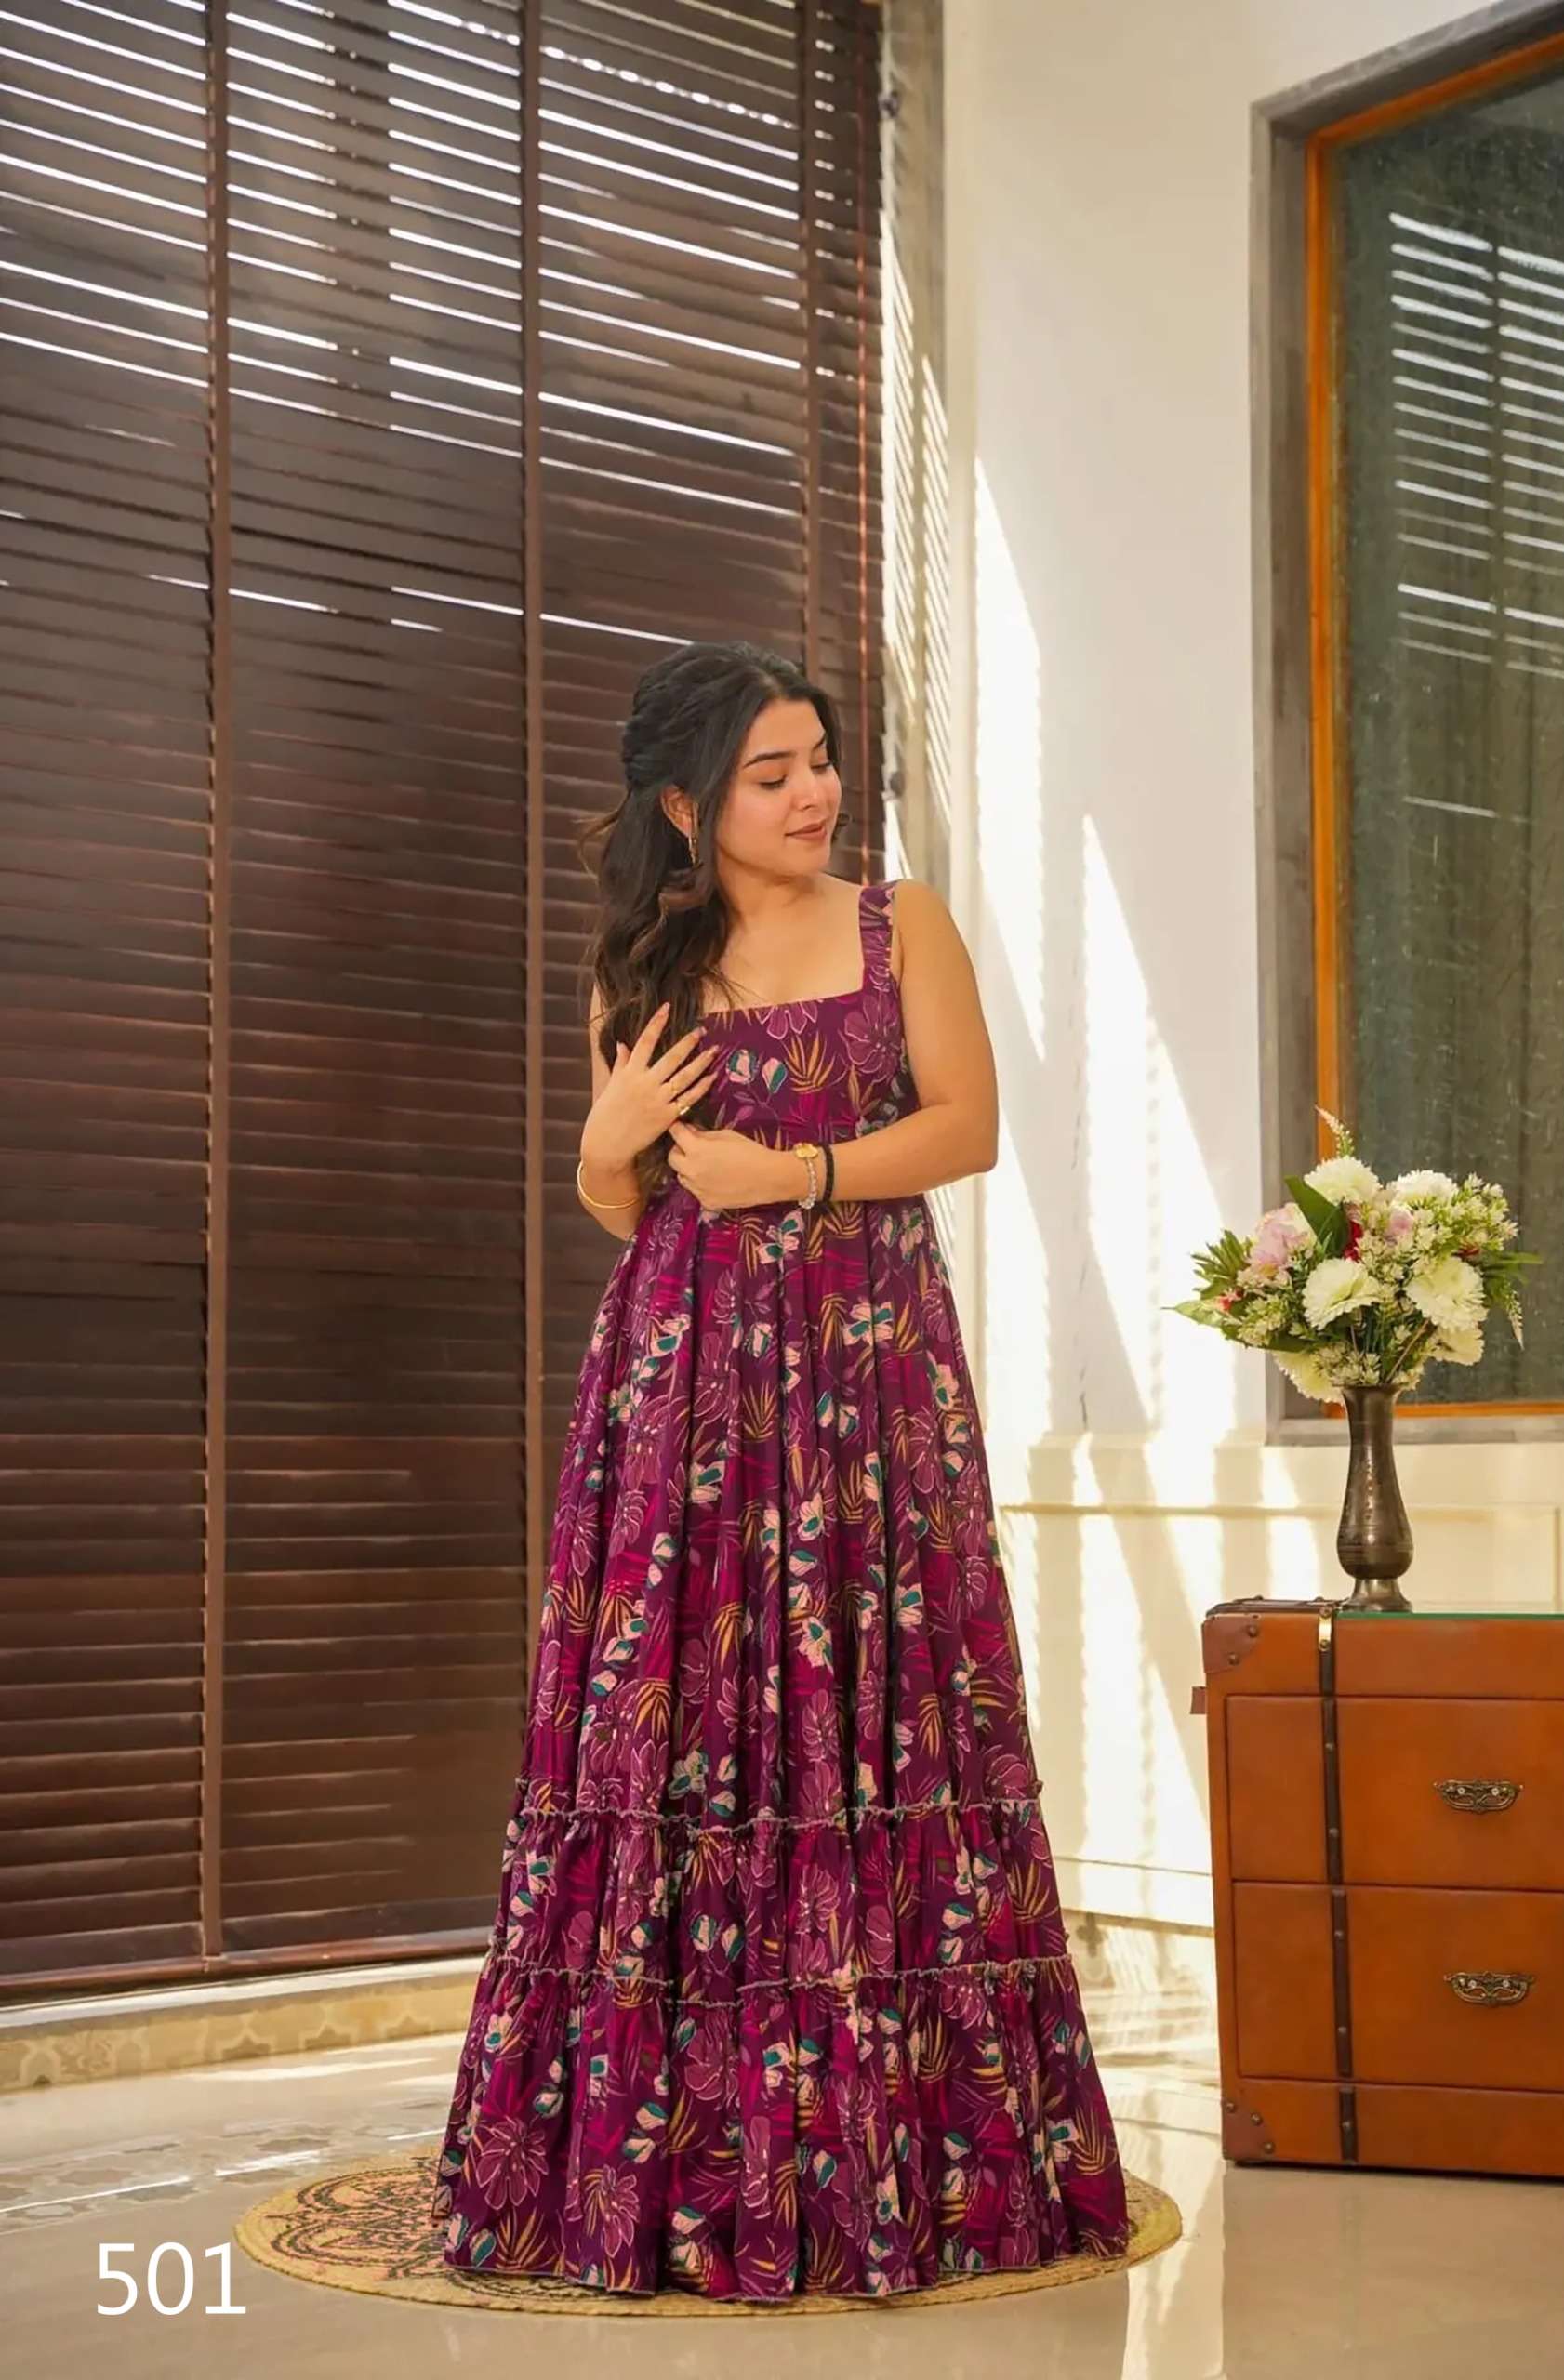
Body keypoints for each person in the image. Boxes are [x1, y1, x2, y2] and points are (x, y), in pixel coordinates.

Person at [431, 640, 1130, 2298]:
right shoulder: (647, 963)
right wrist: (599, 1152)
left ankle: (908, 2155)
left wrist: (795, 1175)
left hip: (871, 1382)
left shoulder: (901, 925)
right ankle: (659, 2173)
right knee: (676, 1721)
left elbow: (965, 1129)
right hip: (682, 1393)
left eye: (820, 759)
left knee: (884, 1715)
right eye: (773, 773)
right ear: (687, 807)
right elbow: (635, 1204)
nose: (815, 793)